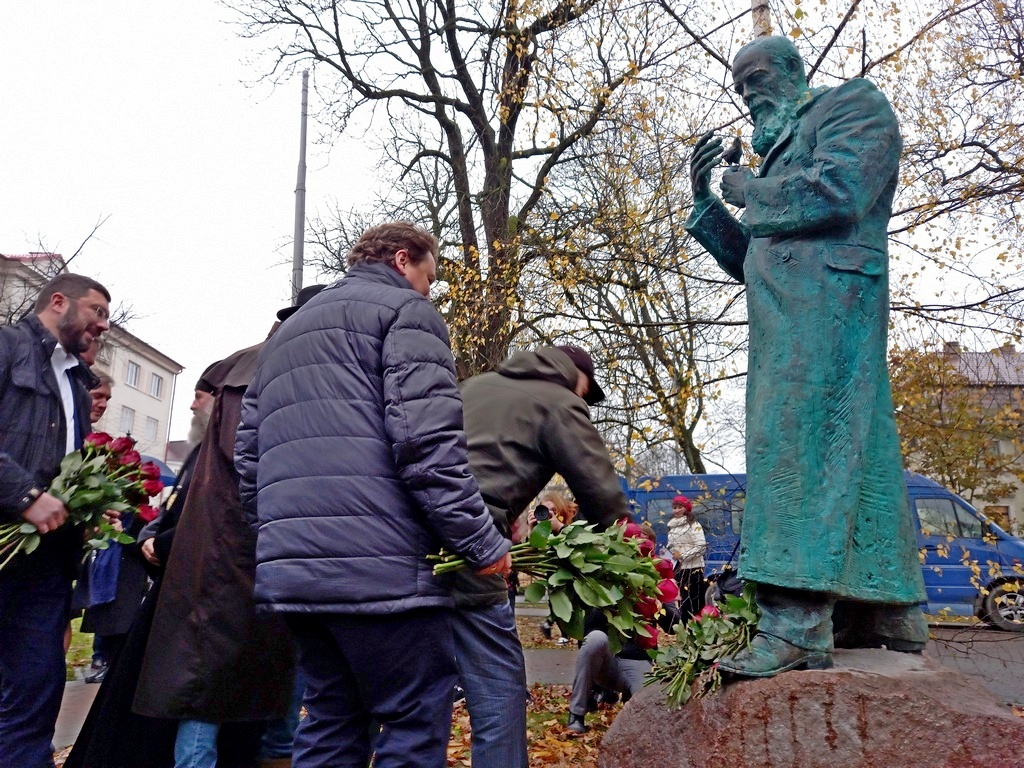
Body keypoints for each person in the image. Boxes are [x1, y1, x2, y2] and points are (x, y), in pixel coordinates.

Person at [686, 35, 927, 677]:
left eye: (757, 76)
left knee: (797, 448)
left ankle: (793, 623)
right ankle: (877, 611)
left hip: (833, 312)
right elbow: (755, 263)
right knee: (858, 450)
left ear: (795, 69)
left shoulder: (855, 105)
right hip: (790, 321)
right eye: (739, 86)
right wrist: (706, 203)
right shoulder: (778, 159)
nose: (748, 91)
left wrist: (749, 190)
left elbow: (842, 191)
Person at [234, 222, 512, 768]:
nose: (429, 290)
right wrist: (482, 544)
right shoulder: (406, 312)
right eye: (428, 278)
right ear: (403, 259)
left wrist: (281, 543)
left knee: (332, 718)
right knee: (412, 720)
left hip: (298, 576)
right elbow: (427, 443)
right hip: (384, 576)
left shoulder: (282, 338)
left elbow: (248, 462)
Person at [134, 302, 309, 768]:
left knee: (242, 684)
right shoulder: (261, 373)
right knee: (208, 688)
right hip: (237, 559)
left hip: (242, 556)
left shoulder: (265, 368)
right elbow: (248, 467)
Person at [456, 344, 631, 767]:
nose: (585, 402)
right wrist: (612, 552)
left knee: (411, 697)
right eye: (587, 393)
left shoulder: (471, 387)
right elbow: (604, 500)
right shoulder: (558, 400)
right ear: (577, 376)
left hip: (410, 538)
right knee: (498, 684)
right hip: (473, 545)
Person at [65, 368, 221, 768]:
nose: (190, 404)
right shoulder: (202, 451)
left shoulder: (218, 453)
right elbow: (169, 510)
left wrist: (158, 540)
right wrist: (151, 536)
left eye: (199, 396)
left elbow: (197, 515)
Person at [0, 273, 110, 767]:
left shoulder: (76, 384)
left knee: (36, 685)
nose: (103, 325)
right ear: (58, 301)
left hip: (47, 560)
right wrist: (24, 496)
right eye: (97, 312)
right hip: (6, 543)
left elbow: (68, 465)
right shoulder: (6, 347)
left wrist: (86, 510)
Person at [666, 495, 706, 618]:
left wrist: (683, 556)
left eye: (680, 507)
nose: (676, 510)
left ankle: (696, 628)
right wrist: (671, 549)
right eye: (674, 507)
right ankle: (683, 629)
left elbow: (701, 546)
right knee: (682, 602)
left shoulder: (693, 524)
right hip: (680, 568)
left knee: (694, 602)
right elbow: (673, 545)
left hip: (694, 568)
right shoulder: (672, 526)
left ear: (686, 508)